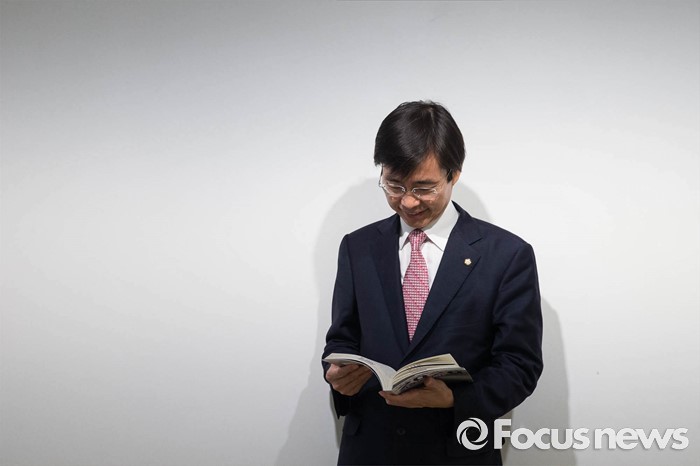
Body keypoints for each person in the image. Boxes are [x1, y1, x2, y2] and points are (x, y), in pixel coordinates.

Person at [322, 101, 543, 465]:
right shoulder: (357, 247)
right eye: (394, 186)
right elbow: (342, 339)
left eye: (424, 188)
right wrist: (337, 374)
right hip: (370, 449)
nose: (408, 202)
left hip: (455, 450)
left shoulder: (507, 255)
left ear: (453, 175)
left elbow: (520, 365)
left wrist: (456, 398)